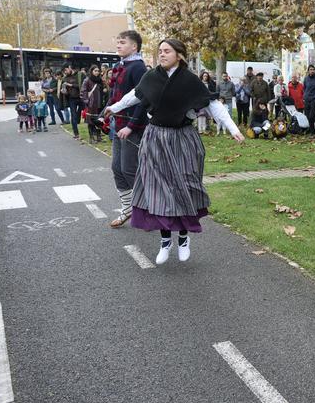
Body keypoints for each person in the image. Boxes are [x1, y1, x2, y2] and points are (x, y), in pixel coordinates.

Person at [103, 38, 243, 265]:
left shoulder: (190, 80)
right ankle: (165, 241)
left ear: (179, 54)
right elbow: (134, 95)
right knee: (159, 190)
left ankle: (184, 238)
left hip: (183, 139)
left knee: (184, 186)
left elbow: (212, 105)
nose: (162, 55)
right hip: (155, 139)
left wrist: (233, 128)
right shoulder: (151, 77)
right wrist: (113, 107)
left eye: (167, 51)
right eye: (159, 51)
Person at [107, 30, 148, 228]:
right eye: (118, 42)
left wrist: (131, 126)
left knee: (129, 169)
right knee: (116, 168)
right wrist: (104, 116)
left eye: (122, 42)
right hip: (118, 125)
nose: (118, 45)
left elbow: (144, 99)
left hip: (133, 127)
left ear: (134, 46)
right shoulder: (119, 65)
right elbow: (115, 96)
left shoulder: (139, 67)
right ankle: (128, 209)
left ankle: (147, 211)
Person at [81, 65, 106, 143]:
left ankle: (98, 137)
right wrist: (87, 101)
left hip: (99, 103)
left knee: (99, 121)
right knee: (91, 122)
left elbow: (102, 91)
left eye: (98, 71)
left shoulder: (100, 80)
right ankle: (91, 138)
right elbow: (83, 92)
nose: (97, 72)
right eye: (95, 71)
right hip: (91, 104)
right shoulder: (87, 80)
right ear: (91, 71)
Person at [60, 63, 83, 139]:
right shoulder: (65, 78)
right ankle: (76, 133)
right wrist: (64, 91)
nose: (65, 72)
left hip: (81, 98)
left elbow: (83, 86)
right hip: (71, 99)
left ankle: (94, 133)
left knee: (85, 114)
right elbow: (65, 91)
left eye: (65, 70)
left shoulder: (80, 75)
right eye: (64, 71)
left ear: (70, 67)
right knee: (73, 116)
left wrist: (71, 85)